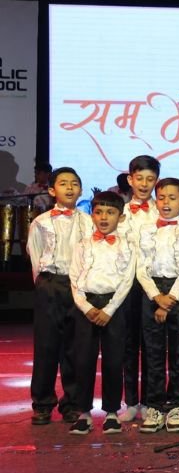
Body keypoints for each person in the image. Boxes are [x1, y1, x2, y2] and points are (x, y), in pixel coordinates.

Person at [26, 166, 93, 425]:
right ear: (52, 190)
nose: (69, 187)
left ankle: (72, 403)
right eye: (63, 183)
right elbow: (35, 255)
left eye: (74, 183)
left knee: (75, 347)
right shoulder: (41, 222)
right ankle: (42, 403)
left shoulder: (88, 222)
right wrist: (44, 285)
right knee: (46, 346)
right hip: (50, 284)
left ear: (81, 190)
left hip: (77, 285)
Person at [67, 191, 137, 434]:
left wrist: (109, 309)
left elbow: (127, 280)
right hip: (86, 306)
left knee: (114, 360)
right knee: (83, 360)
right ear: (92, 215)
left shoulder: (128, 246)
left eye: (110, 212)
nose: (104, 217)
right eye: (98, 212)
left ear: (121, 217)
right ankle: (83, 413)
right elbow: (74, 279)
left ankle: (111, 412)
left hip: (114, 306)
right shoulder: (82, 245)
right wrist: (86, 307)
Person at [136, 178, 179, 434]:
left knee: (177, 353)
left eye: (172, 198)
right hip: (151, 293)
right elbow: (140, 268)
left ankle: (174, 406)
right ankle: (154, 406)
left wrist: (169, 299)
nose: (166, 202)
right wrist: (155, 297)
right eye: (161, 197)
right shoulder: (145, 229)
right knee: (152, 353)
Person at [117, 154, 161, 424]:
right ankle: (132, 402)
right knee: (129, 344)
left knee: (153, 346)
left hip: (154, 286)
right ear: (130, 179)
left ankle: (151, 402)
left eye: (150, 179)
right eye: (139, 178)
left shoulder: (162, 212)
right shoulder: (119, 213)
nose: (144, 184)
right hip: (127, 286)